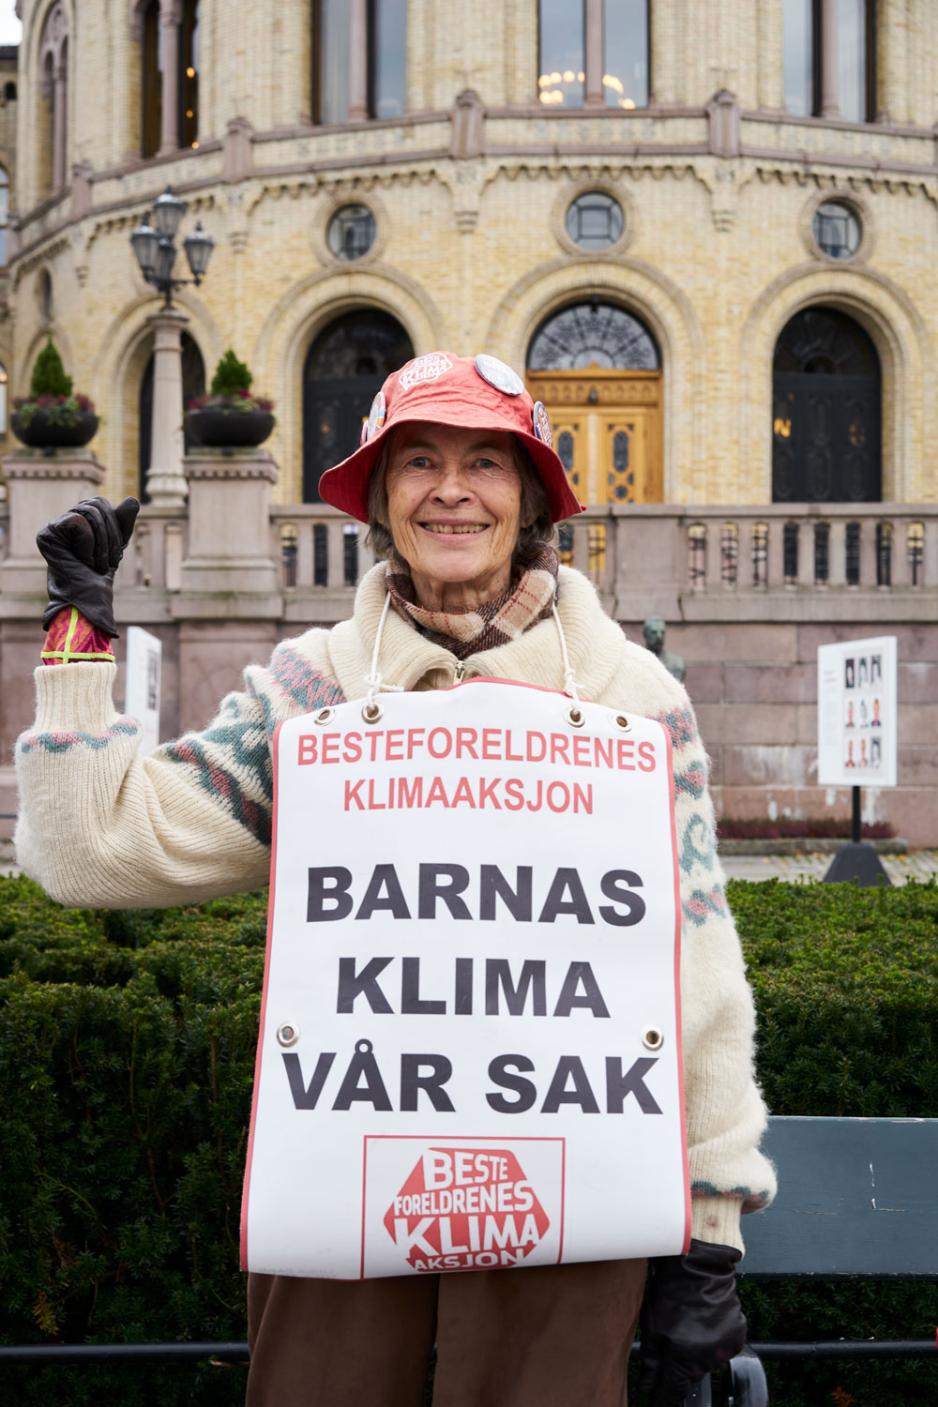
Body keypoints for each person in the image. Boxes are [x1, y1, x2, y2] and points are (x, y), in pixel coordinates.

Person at [15, 352, 776, 1407]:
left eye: (486, 462)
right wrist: (77, 642)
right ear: (377, 499)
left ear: (532, 499)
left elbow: (693, 958)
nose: (450, 488)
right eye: (417, 460)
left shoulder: (629, 700)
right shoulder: (312, 691)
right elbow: (91, 854)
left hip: (570, 1197)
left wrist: (707, 1230)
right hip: (345, 1185)